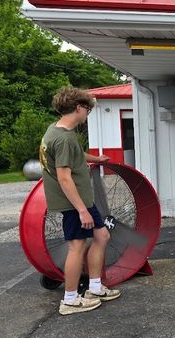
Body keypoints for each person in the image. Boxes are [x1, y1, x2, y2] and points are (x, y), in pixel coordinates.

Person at [39, 86, 120, 316]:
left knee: (101, 235)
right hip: (74, 204)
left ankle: (94, 288)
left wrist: (97, 158)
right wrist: (82, 210)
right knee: (77, 246)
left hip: (82, 201)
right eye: (87, 110)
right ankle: (70, 300)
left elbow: (75, 153)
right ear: (78, 108)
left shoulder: (58, 131)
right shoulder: (63, 139)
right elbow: (64, 178)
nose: (87, 114)